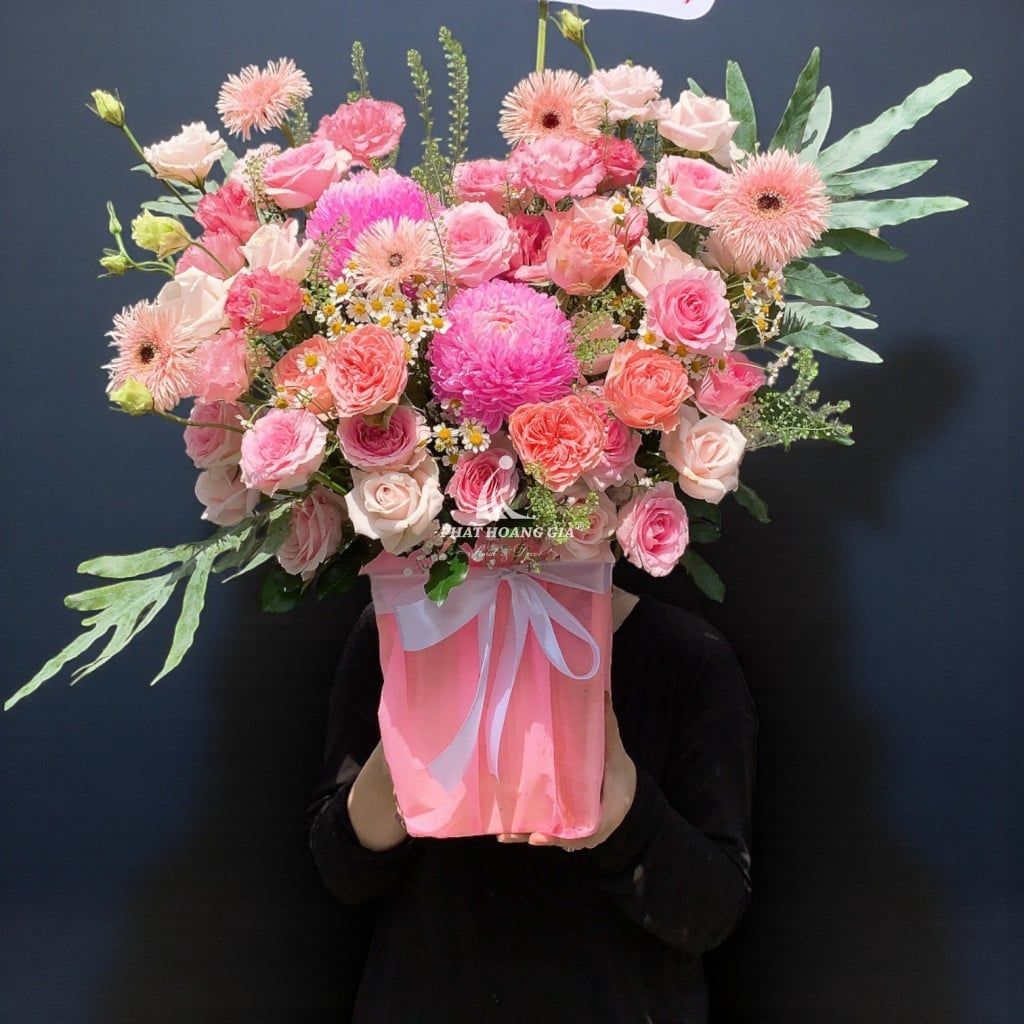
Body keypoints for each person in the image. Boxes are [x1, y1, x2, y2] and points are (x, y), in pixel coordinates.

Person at [308, 587, 757, 1023]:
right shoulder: (400, 626)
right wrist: (405, 743)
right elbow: (341, 869)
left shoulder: (684, 655)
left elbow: (711, 911)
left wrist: (625, 817)